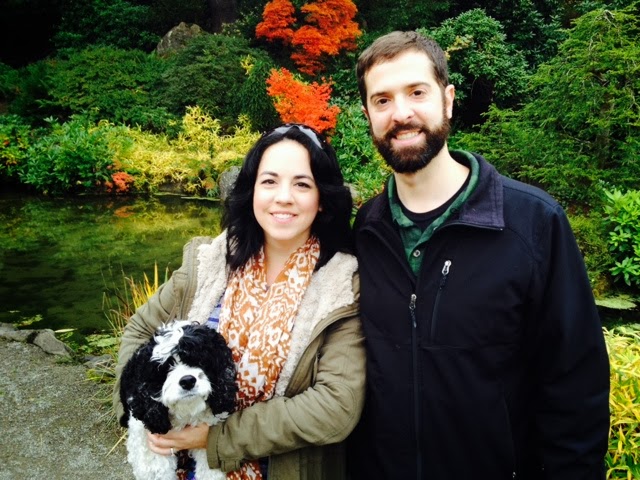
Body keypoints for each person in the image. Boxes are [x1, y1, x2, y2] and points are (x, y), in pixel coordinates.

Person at [347, 30, 610, 479]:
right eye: (382, 100)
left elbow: (575, 386)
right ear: (368, 115)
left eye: (416, 92)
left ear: (447, 100)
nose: (401, 113)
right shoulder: (367, 229)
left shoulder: (532, 223)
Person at [112, 123, 365, 479]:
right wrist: (140, 411)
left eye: (302, 184)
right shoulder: (211, 261)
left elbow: (336, 406)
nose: (283, 197)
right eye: (269, 181)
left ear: (322, 199)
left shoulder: (341, 286)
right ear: (252, 191)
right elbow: (140, 329)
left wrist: (216, 439)